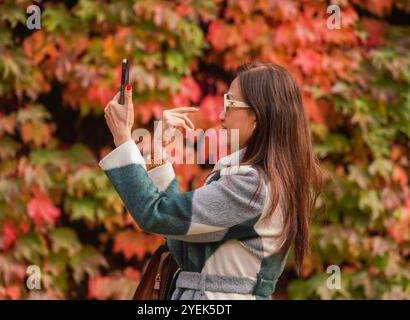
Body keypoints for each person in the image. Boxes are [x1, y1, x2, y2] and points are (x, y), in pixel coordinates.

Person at [99, 61, 323, 300]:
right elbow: (178, 228)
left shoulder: (252, 186)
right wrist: (158, 154)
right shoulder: (257, 179)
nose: (221, 114)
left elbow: (157, 216)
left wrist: (123, 138)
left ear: (257, 116)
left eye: (230, 103)